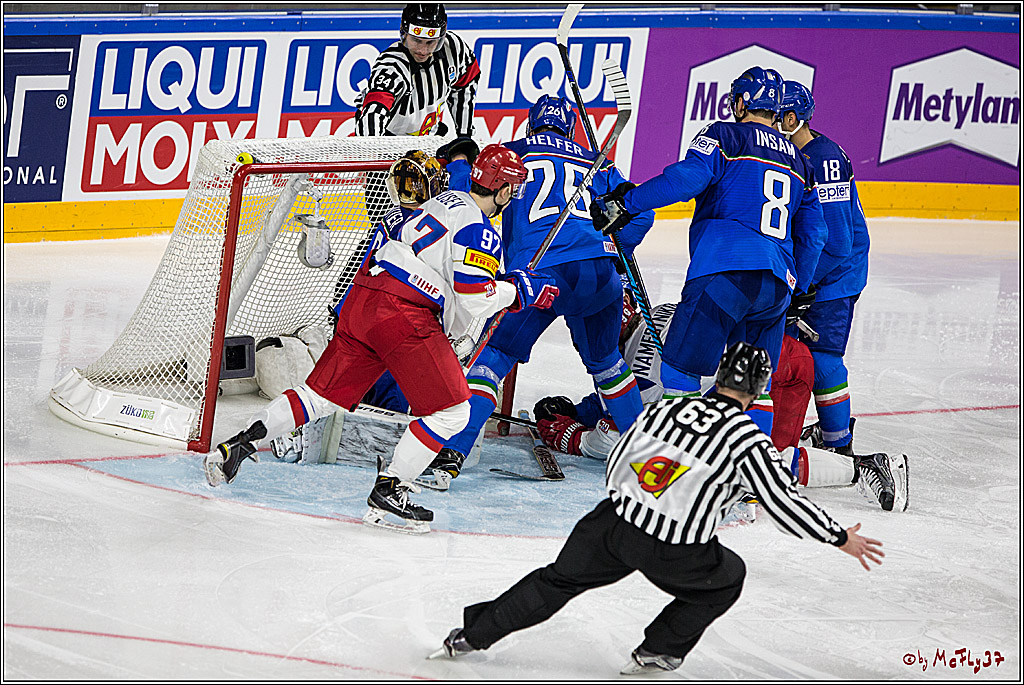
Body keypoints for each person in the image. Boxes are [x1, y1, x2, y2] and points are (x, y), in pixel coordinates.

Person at [430, 341, 884, 675]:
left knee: (556, 582)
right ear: (760, 388)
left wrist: (625, 507)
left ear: (719, 376)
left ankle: (471, 635)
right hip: (677, 549)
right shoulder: (747, 438)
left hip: (614, 524)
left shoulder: (666, 410)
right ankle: (656, 651)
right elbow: (782, 503)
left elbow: (620, 459)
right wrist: (838, 536)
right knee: (727, 577)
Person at [204, 144, 560, 535]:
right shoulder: (480, 228)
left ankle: (239, 443)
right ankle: (391, 490)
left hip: (363, 298)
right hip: (403, 313)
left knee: (318, 396)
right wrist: (519, 290)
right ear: (504, 190)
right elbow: (475, 297)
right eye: (514, 189)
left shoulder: (441, 201)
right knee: (452, 412)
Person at [590, 66, 827, 441]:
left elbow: (686, 179)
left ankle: (678, 462)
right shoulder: (802, 163)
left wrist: (627, 202)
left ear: (742, 103)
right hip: (777, 285)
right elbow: (815, 234)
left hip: (724, 273)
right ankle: (753, 471)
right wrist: (796, 287)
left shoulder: (725, 136)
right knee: (755, 385)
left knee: (678, 371)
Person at [434, 94, 655, 480]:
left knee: (495, 355)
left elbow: (466, 196)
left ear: (529, 124)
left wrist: (456, 161)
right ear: (570, 129)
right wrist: (613, 245)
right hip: (599, 272)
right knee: (608, 364)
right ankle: (647, 463)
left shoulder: (512, 153)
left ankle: (452, 454)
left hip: (540, 274)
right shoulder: (597, 162)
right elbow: (642, 214)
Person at [535, 292, 909, 511]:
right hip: (776, 354)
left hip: (771, 376)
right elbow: (626, 393)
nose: (582, 340)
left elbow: (622, 438)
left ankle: (867, 467)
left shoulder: (629, 367)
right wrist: (582, 410)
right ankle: (800, 439)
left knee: (742, 468)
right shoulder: (658, 312)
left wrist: (570, 435)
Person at [354, 3, 480, 224]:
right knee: (387, 227)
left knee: (433, 224)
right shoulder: (391, 67)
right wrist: (377, 164)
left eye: (431, 42)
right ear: (404, 34)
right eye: (416, 41)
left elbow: (465, 88)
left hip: (427, 148)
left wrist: (464, 137)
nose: (423, 50)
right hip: (389, 154)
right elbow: (371, 117)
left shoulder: (454, 50)